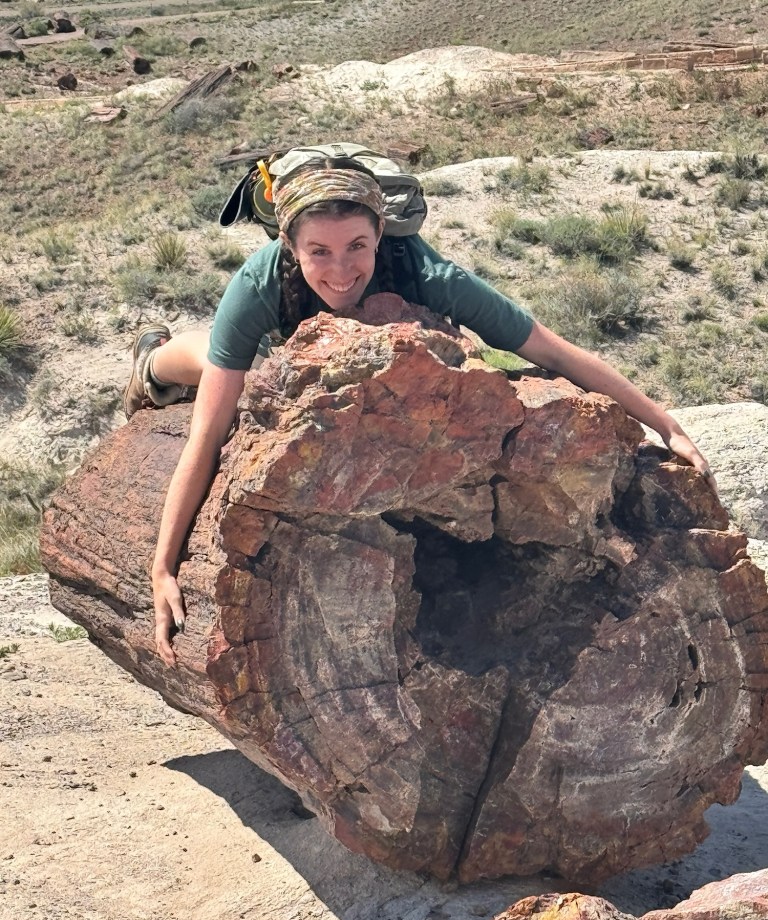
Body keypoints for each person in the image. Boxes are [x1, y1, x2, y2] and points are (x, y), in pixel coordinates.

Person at [124, 157, 716, 667]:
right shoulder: (259, 286)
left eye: (357, 246)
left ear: (380, 233)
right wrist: (162, 566)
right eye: (319, 252)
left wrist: (665, 424)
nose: (340, 270)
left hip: (360, 355)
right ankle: (151, 361)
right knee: (232, 374)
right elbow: (205, 438)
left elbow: (550, 350)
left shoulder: (425, 273)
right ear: (289, 245)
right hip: (283, 346)